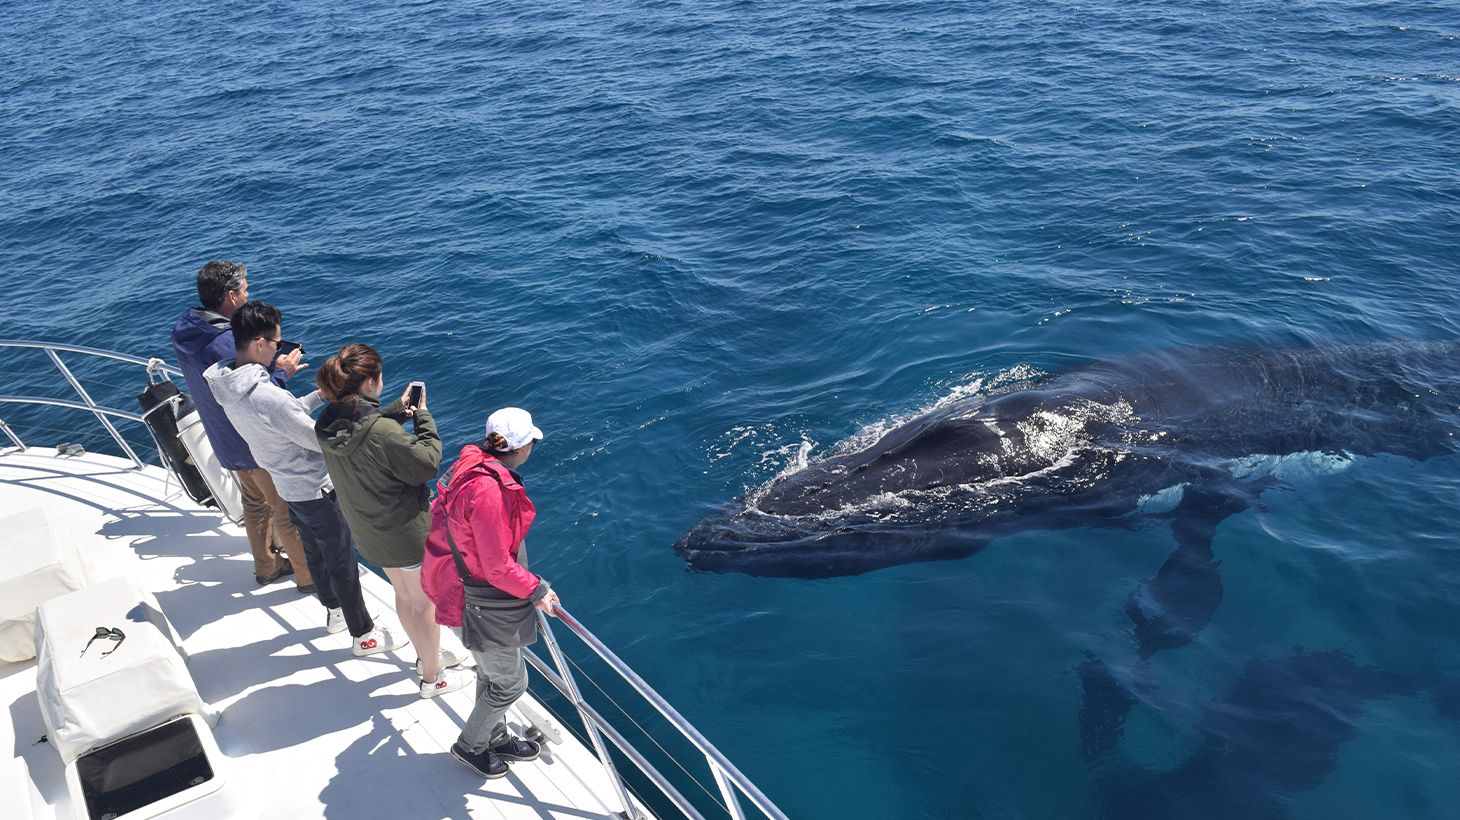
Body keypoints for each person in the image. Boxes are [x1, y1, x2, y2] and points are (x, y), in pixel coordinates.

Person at [203, 301, 397, 656]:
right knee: (341, 559)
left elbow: (279, 416)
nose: (280, 349)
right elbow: (318, 440)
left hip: (287, 486)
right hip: (316, 488)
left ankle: (334, 613)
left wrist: (317, 396)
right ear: (259, 343)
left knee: (315, 551)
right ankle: (364, 634)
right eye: (277, 342)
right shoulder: (267, 396)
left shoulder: (228, 384)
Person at [314, 343, 468, 697]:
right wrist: (422, 415)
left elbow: (364, 431)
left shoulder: (326, 424)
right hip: (405, 533)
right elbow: (426, 462)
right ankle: (433, 677)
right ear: (369, 384)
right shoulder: (382, 432)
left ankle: (423, 655)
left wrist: (399, 409)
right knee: (425, 603)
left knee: (403, 594)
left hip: (368, 531)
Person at [423, 407, 560, 779]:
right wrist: (538, 591)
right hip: (478, 602)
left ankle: (495, 738)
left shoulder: (471, 465)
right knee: (512, 682)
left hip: (459, 590)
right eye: (530, 440)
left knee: (491, 675)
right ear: (519, 448)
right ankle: (470, 746)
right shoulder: (487, 490)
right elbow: (497, 566)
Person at [171, 260, 313, 592]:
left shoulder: (186, 329)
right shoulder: (225, 345)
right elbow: (258, 395)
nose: (249, 294)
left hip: (223, 439)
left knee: (254, 502)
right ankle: (309, 578)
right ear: (232, 296)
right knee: (285, 509)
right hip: (251, 440)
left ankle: (266, 565)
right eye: (246, 289)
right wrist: (282, 372)